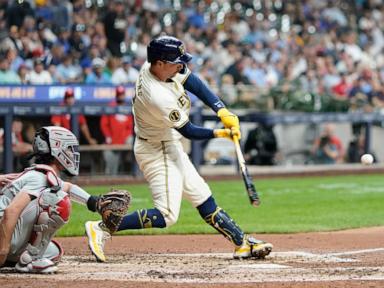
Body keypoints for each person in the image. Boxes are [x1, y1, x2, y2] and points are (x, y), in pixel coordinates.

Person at [85, 35, 273, 262]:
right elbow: (189, 131)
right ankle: (102, 227)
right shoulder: (157, 96)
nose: (181, 65)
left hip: (168, 142)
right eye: (176, 62)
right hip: (156, 150)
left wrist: (221, 110)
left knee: (202, 196)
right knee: (167, 215)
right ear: (160, 63)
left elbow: (193, 82)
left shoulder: (155, 65)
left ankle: (241, 243)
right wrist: (220, 133)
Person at [0, 126, 105, 273]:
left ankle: (23, 257)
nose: (71, 153)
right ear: (57, 151)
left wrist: (95, 203)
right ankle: (29, 260)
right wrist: (3, 251)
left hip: (6, 232)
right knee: (56, 201)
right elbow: (11, 211)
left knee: (53, 252)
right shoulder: (38, 177)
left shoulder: (43, 174)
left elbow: (67, 187)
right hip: (3, 234)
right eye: (68, 149)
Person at [100, 85, 134, 175]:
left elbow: (130, 127)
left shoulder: (128, 108)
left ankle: (133, 172)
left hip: (125, 141)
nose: (121, 96)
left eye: (122, 94)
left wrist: (125, 137)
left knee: (133, 141)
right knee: (112, 170)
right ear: (116, 95)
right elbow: (104, 124)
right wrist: (107, 136)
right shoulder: (111, 106)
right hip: (113, 141)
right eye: (119, 95)